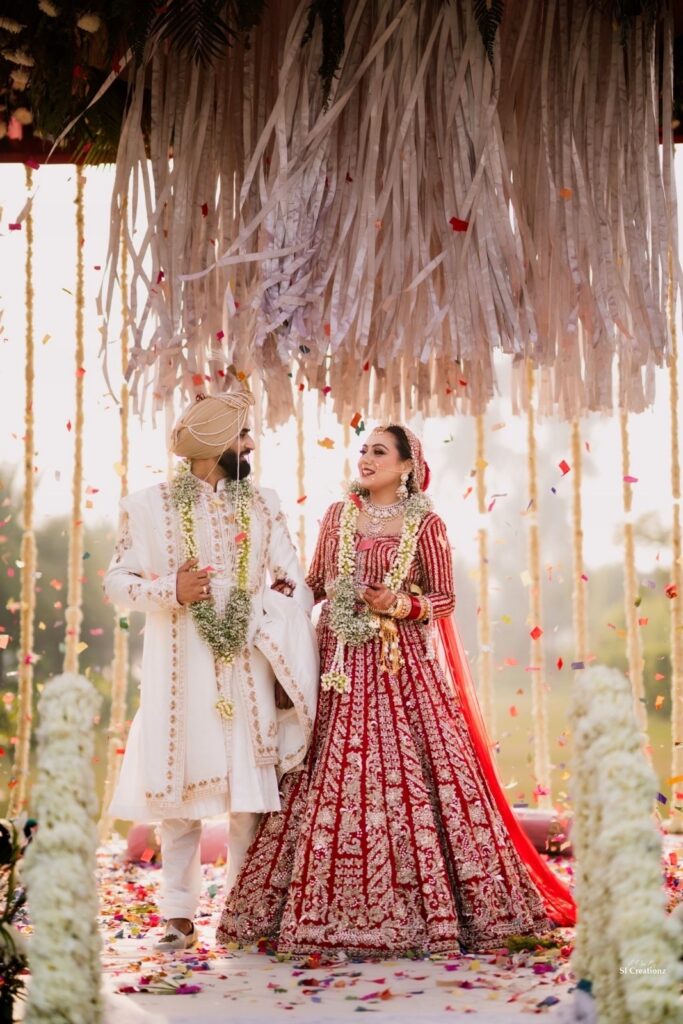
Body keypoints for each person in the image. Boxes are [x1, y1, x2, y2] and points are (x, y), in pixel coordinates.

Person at [217, 423, 576, 957]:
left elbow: (445, 600)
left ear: (407, 465)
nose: (366, 458)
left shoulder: (425, 524)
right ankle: (305, 912)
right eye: (363, 449)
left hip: (399, 667)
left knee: (413, 776)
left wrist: (399, 605)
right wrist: (275, 603)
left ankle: (431, 909)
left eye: (379, 452)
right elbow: (315, 581)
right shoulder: (337, 515)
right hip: (336, 664)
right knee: (323, 775)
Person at [104, 385, 319, 951]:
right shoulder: (146, 506)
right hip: (181, 669)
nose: (251, 445)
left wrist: (275, 618)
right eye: (242, 436)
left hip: (249, 663)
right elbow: (116, 582)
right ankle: (177, 914)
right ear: (213, 444)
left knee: (250, 797)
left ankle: (239, 913)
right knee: (180, 798)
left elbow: (296, 582)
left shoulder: (265, 502)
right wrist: (169, 587)